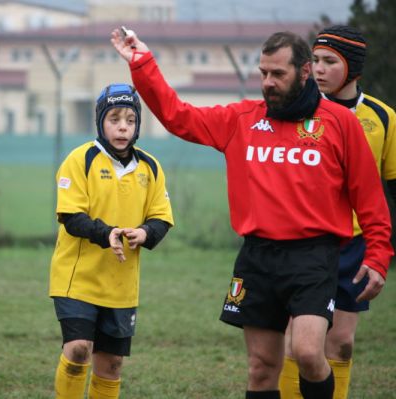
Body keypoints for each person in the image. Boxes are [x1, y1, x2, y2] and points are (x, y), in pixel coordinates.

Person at [111, 29, 393, 399]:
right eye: (263, 73)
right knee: (261, 369)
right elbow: (177, 116)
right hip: (258, 257)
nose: (268, 83)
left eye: (278, 74)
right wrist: (143, 64)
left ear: (304, 72)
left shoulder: (340, 123)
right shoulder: (242, 119)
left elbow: (369, 197)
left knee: (309, 353)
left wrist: (378, 255)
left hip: (314, 256)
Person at [279, 25, 396, 399]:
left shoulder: (382, 118)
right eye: (314, 60)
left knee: (341, 343)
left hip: (354, 246)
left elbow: (390, 189)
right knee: (298, 342)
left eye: (330, 61)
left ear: (354, 68)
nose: (319, 69)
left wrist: (382, 254)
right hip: (304, 241)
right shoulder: (296, 110)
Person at [49, 83, 174, 399]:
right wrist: (107, 234)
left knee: (112, 364)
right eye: (114, 119)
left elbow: (161, 218)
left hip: (121, 284)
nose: (122, 127)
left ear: (138, 125)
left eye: (130, 120)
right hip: (77, 279)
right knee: (79, 350)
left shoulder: (150, 167)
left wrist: (145, 233)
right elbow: (71, 217)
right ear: (100, 122)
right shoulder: (81, 160)